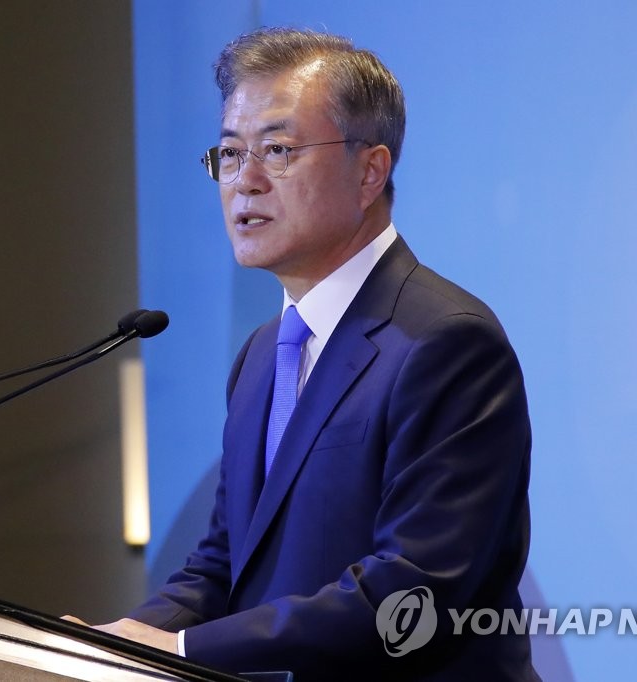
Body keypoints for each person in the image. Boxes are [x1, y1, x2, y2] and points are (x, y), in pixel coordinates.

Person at [94, 27, 537, 680]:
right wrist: (110, 645)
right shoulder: (260, 356)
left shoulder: (446, 342)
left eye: (277, 150)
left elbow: (409, 592)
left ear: (370, 171)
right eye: (229, 153)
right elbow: (223, 565)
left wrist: (184, 652)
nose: (244, 182)